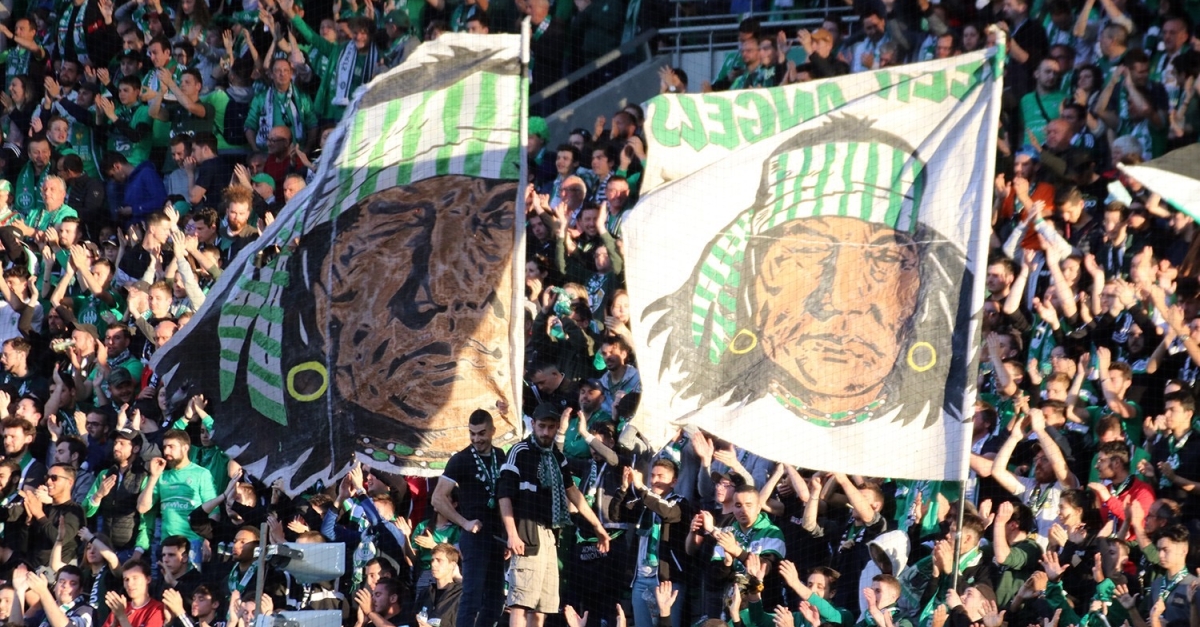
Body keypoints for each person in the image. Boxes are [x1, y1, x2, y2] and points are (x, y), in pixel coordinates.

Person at [646, 116, 969, 428]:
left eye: (884, 256)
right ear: (752, 275)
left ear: (918, 288)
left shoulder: (942, 435)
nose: (843, 299)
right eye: (808, 252)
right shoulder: (714, 422)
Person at [497, 403, 610, 627]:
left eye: (551, 427)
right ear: (533, 425)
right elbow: (504, 495)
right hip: (526, 535)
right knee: (520, 604)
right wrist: (512, 534)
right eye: (541, 426)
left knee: (542, 607)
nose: (546, 432)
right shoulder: (519, 452)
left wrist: (598, 526)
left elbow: (573, 492)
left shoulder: (557, 457)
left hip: (551, 535)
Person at [431, 409, 506, 627]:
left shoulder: (501, 456)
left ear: (493, 430)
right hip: (475, 537)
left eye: (482, 433)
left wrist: (508, 533)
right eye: (472, 433)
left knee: (495, 601)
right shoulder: (461, 459)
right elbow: (437, 498)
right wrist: (464, 522)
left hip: (496, 537)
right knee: (472, 597)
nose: (476, 439)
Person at [136, 430, 217, 556]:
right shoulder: (162, 476)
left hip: (194, 546)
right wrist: (153, 477)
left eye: (171, 447)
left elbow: (214, 510)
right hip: (167, 547)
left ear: (185, 448)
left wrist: (208, 540)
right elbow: (142, 507)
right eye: (164, 447)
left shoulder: (201, 474)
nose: (166, 451)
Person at [412, 544, 463, 627]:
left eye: (439, 560)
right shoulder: (425, 593)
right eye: (432, 560)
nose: (433, 564)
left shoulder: (461, 594)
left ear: (452, 565)